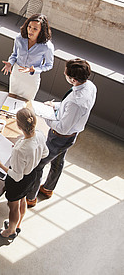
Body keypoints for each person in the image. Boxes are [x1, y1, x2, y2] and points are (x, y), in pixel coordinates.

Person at [26, 59, 97, 207]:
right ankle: (48, 189)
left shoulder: (76, 102)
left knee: (38, 165)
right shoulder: (90, 86)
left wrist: (45, 116)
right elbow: (68, 107)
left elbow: (62, 127)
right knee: (58, 161)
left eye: (65, 73)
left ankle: (30, 198)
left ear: (73, 79)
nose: (63, 74)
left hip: (60, 137)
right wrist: (55, 105)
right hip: (71, 135)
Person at [0, 108, 48, 240]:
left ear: (18, 125)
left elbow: (16, 175)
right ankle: (17, 225)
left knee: (13, 207)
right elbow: (45, 153)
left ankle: (10, 231)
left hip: (18, 181)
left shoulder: (20, 150)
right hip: (31, 176)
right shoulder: (39, 135)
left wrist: (1, 165)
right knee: (22, 199)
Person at [2, 14, 54, 100]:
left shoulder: (47, 46)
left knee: (26, 103)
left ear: (41, 31)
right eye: (29, 27)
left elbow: (49, 65)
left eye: (35, 29)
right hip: (17, 73)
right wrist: (10, 63)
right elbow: (14, 55)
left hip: (31, 77)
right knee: (11, 98)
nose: (30, 30)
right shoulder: (19, 38)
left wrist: (35, 70)